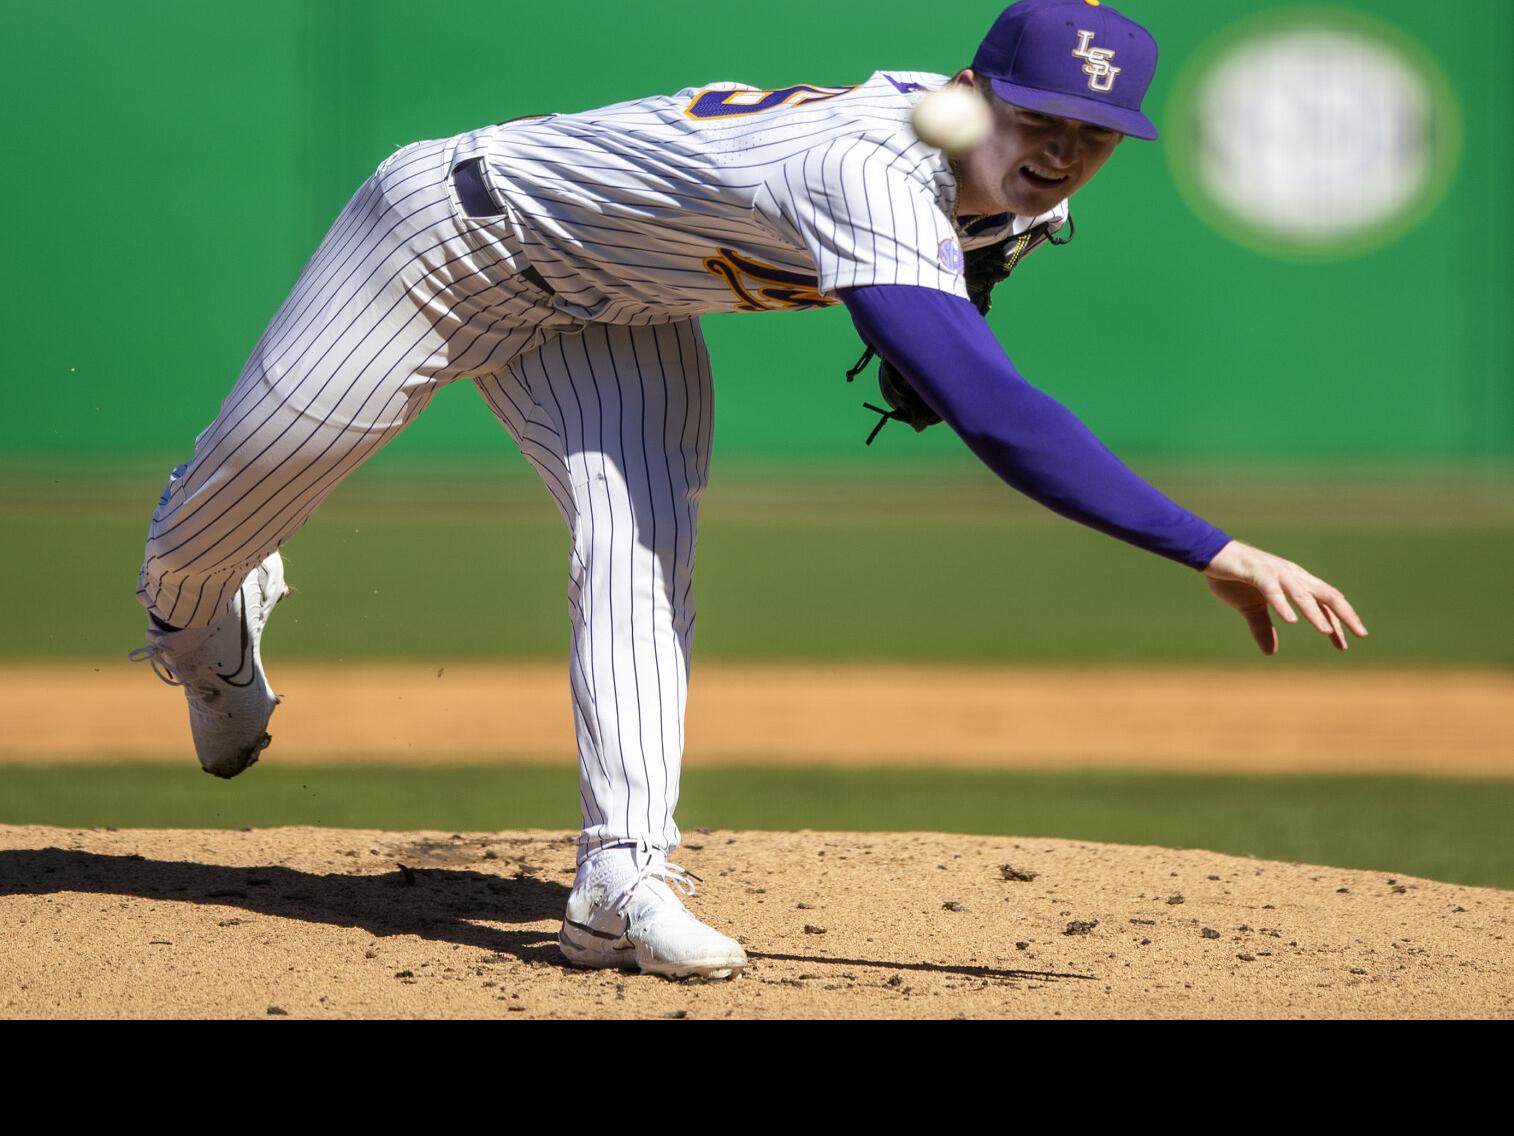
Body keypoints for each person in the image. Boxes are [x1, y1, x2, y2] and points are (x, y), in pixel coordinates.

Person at [128, 0, 1367, 982]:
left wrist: (959, 288)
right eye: (1038, 116)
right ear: (967, 93)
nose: (1059, 152)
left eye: (1092, 136)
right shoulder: (871, 167)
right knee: (239, 499)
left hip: (619, 309)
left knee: (641, 544)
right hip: (447, 239)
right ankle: (200, 634)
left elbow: (951, 318)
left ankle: (621, 879)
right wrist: (1206, 545)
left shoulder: (993, 194)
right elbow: (994, 410)